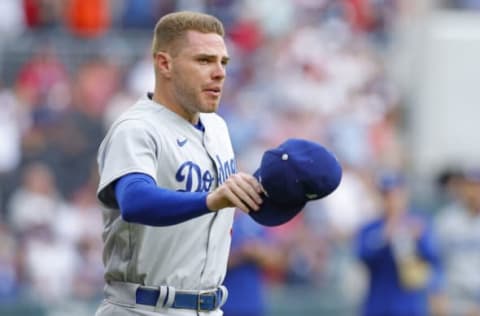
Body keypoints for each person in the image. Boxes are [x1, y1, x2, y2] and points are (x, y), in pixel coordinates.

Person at [95, 11, 263, 316]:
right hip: (143, 307)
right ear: (164, 63)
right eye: (204, 60)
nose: (219, 72)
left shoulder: (218, 128)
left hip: (210, 306)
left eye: (223, 62)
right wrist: (211, 200)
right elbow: (135, 200)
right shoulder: (137, 128)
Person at [354, 171, 443, 316]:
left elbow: (433, 258)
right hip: (378, 304)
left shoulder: (419, 223)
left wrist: (419, 239)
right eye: (387, 195)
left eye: (396, 194)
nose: (392, 200)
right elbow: (363, 256)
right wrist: (384, 236)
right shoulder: (370, 228)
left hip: (411, 304)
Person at [434, 168, 480, 316]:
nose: (474, 191)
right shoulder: (447, 220)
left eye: (477, 186)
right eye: (470, 185)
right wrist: (435, 292)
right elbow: (435, 259)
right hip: (455, 297)